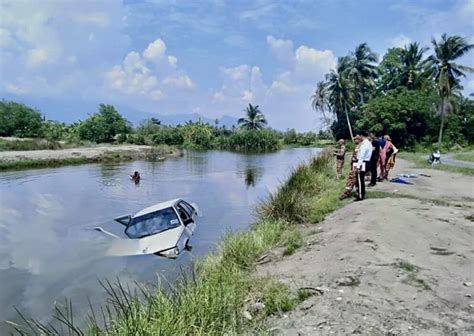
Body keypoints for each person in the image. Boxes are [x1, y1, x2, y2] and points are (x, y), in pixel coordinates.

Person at [339, 135, 361, 200]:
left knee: (352, 178)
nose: (354, 140)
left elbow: (357, 156)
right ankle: (357, 191)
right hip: (354, 164)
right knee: (356, 178)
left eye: (355, 139)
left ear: (359, 139)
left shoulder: (360, 146)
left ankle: (347, 192)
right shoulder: (357, 146)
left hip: (357, 164)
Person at [354, 131, 372, 201]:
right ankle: (361, 193)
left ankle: (360, 195)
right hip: (366, 162)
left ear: (361, 136)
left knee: (360, 180)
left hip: (363, 162)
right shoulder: (368, 143)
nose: (358, 138)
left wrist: (358, 166)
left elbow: (362, 156)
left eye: (358, 136)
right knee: (360, 179)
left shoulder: (365, 144)